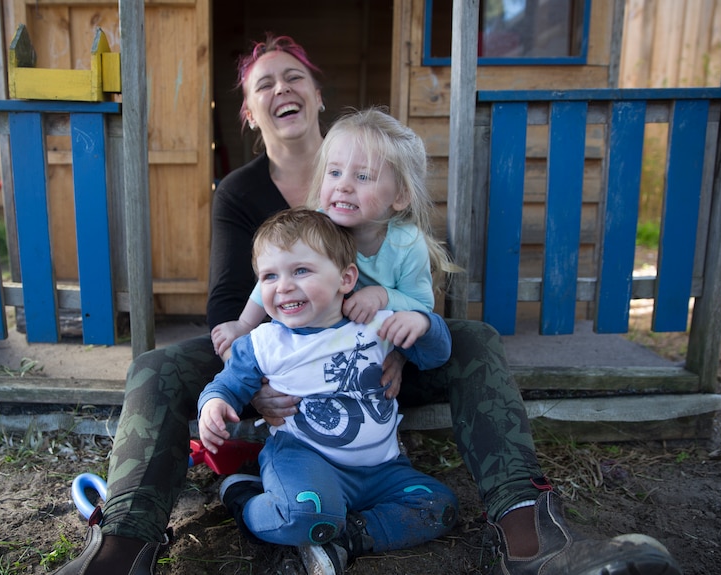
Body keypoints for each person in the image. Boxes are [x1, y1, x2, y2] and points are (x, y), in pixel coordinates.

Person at [51, 33, 682, 575]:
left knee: (477, 337)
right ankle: (123, 545)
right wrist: (250, 384)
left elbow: (428, 296)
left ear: (319, 95)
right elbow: (229, 304)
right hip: (283, 366)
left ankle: (532, 534)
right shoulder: (242, 192)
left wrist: (398, 342)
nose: (280, 89)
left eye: (293, 76)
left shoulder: (374, 164)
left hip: (378, 370)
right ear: (247, 111)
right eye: (263, 84)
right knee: (159, 367)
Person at [199, 208, 457, 572]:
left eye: (300, 270)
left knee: (439, 506)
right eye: (269, 276)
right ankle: (244, 498)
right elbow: (227, 384)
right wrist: (214, 403)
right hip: (304, 459)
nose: (283, 286)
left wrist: (422, 323)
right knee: (304, 513)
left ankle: (350, 536)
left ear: (346, 278)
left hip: (383, 469)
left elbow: (435, 355)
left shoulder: (377, 324)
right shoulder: (264, 343)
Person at [210, 107, 456, 363]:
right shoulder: (313, 228)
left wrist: (382, 296)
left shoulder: (407, 244)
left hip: (371, 348)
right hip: (313, 340)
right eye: (335, 172)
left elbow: (421, 307)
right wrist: (243, 325)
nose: (343, 186)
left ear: (400, 195)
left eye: (363, 176)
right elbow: (273, 276)